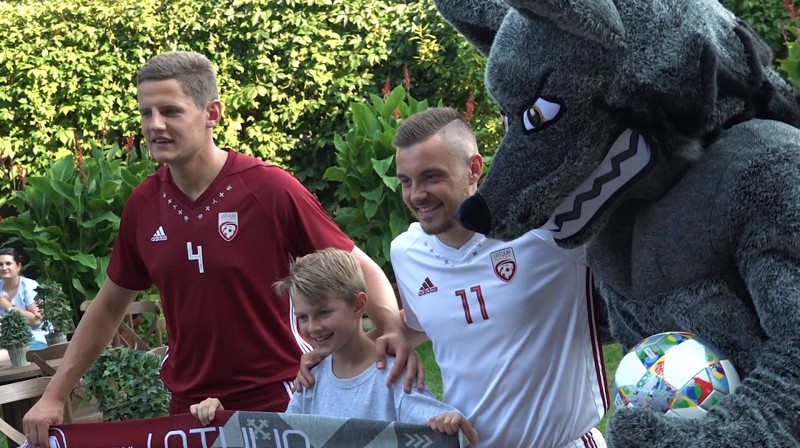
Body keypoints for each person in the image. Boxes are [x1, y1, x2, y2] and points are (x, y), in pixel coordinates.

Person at [22, 50, 417, 446]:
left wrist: (391, 332)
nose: (155, 125)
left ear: (212, 113)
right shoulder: (143, 205)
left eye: (170, 111)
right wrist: (55, 394)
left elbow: (359, 267)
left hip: (278, 399)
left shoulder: (269, 188)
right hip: (188, 412)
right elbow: (109, 306)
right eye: (146, 113)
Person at [389, 108, 609, 447]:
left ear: (474, 169)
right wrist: (337, 351)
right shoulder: (406, 252)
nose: (416, 194)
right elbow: (422, 323)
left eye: (431, 177)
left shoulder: (544, 229)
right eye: (406, 181)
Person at [191, 248, 478, 445]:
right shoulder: (310, 383)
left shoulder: (395, 377)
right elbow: (278, 439)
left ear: (359, 305)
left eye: (324, 313)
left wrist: (450, 422)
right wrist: (222, 419)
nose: (313, 327)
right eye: (303, 317)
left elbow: (454, 434)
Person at [0, 247, 48, 350]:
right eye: (0, 264)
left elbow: (37, 320)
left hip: (32, 339)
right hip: (5, 340)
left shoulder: (30, 286)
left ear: (18, 266)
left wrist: (9, 307)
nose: (3, 268)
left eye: (8, 263)